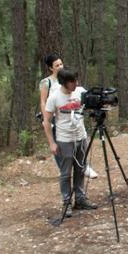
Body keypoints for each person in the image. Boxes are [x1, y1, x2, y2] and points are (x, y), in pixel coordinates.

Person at [43, 68, 98, 217]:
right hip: (64, 140)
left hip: (81, 137)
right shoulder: (54, 97)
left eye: (76, 80)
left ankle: (80, 199)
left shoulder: (80, 91)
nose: (76, 83)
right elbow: (46, 121)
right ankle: (66, 202)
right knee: (66, 173)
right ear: (63, 83)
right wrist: (51, 143)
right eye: (72, 81)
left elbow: (91, 105)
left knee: (81, 168)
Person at [39, 54, 97, 179]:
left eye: (61, 64)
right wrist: (46, 117)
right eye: (57, 65)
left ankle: (83, 166)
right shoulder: (46, 82)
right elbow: (43, 101)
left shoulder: (68, 77)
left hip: (72, 114)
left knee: (79, 141)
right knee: (60, 144)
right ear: (50, 68)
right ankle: (64, 169)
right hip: (55, 115)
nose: (60, 66)